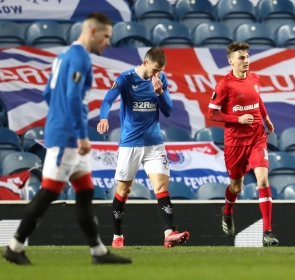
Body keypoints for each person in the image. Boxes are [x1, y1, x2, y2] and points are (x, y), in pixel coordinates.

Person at [2, 12, 132, 265]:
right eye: (106, 37)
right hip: (68, 137)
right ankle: (14, 246)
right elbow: (72, 97)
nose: (108, 42)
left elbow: (48, 92)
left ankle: (98, 251)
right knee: (49, 190)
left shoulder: (63, 57)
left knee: (85, 190)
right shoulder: (81, 58)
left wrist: (59, 119)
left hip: (64, 131)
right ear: (92, 32)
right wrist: (80, 135)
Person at [97, 47, 190, 248]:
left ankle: (169, 233)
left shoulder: (160, 80)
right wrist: (104, 117)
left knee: (162, 187)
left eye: (161, 71)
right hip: (130, 144)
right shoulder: (126, 79)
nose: (158, 74)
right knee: (123, 189)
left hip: (154, 143)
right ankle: (117, 236)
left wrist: (160, 93)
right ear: (145, 63)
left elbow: (168, 111)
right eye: (155, 70)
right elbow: (107, 100)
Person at [207, 42, 278, 247]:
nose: (246, 61)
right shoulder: (224, 85)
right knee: (236, 187)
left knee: (263, 180)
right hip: (235, 143)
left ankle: (267, 232)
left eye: (247, 57)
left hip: (257, 137)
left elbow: (258, 99)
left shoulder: (255, 78)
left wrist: (266, 118)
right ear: (231, 61)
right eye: (241, 57)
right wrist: (237, 120)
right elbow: (212, 113)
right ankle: (228, 210)